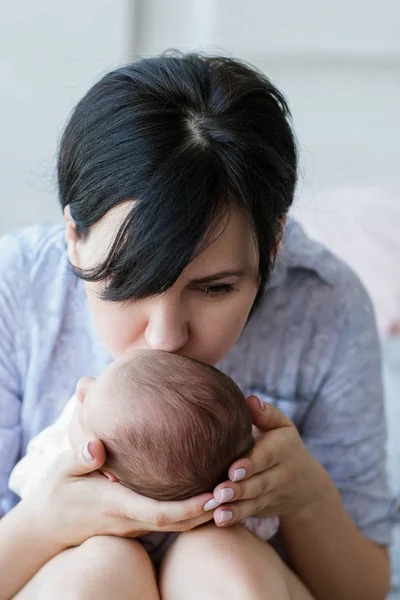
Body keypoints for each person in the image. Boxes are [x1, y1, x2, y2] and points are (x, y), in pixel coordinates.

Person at [0, 52, 392, 599]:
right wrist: (44, 522)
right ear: (73, 234)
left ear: (272, 244)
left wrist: (307, 498)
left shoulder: (323, 304)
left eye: (214, 289)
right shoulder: (16, 288)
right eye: (129, 280)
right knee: (97, 571)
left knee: (222, 557)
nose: (166, 337)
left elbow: (364, 590)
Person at [9, 348, 279, 567]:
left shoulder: (63, 465)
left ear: (104, 473)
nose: (83, 385)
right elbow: (266, 526)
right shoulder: (228, 508)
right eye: (99, 378)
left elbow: (23, 479)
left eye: (85, 404)